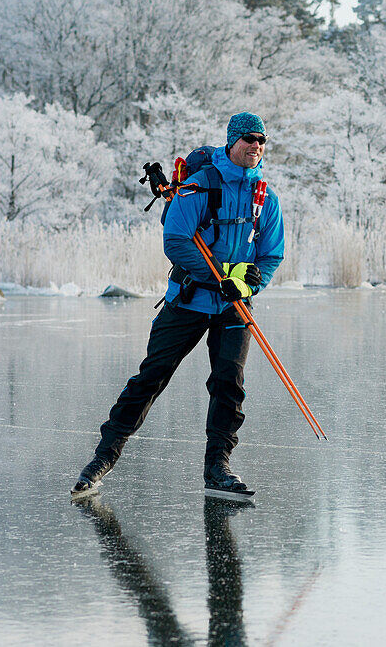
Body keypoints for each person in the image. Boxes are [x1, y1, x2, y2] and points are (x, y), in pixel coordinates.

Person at [72, 112, 284, 500]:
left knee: (229, 385)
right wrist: (220, 274)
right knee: (151, 378)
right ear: (232, 141)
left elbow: (272, 254)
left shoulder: (265, 197)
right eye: (249, 138)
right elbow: (177, 240)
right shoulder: (200, 185)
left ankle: (218, 467)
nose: (256, 145)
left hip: (234, 307)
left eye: (262, 140)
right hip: (187, 299)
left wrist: (249, 284)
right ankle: (102, 458)